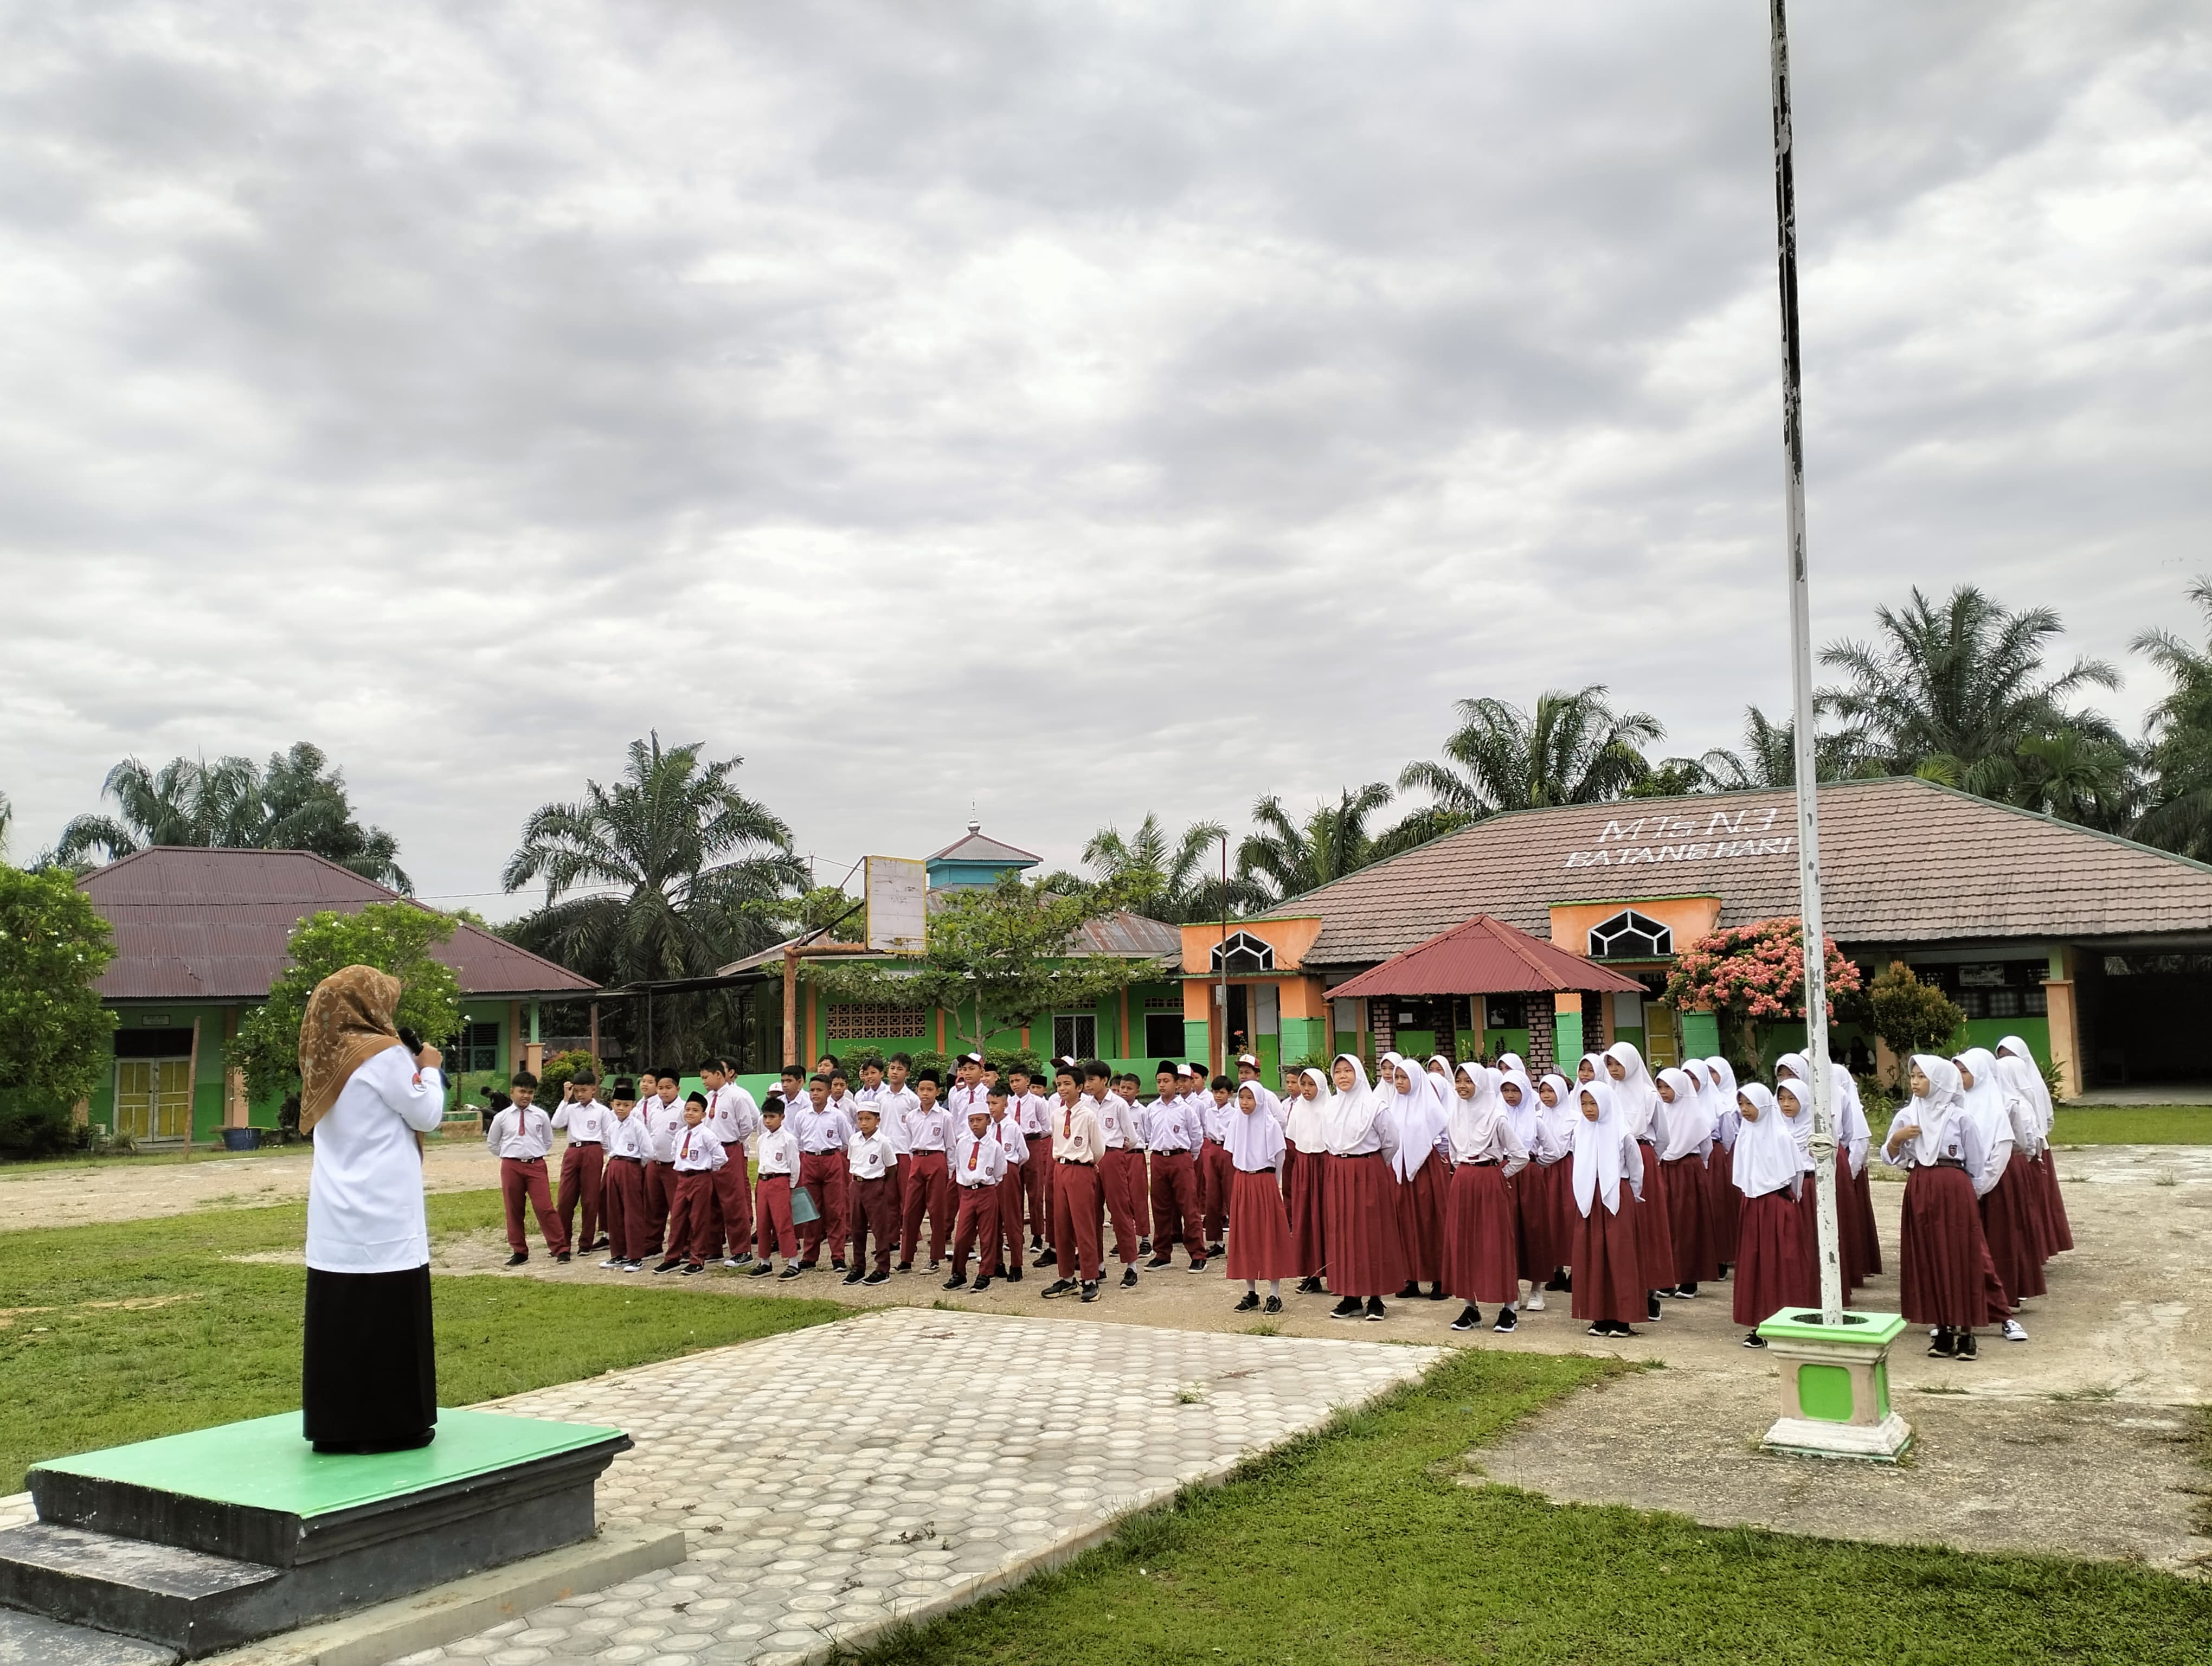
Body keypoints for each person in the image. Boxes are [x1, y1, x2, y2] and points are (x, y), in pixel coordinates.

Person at [298, 965, 447, 1453]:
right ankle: (393, 1425)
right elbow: (425, 1113)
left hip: (335, 1205)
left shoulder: (323, 1055)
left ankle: (337, 1427)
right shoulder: (383, 1054)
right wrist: (428, 1067)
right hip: (384, 1205)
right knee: (388, 1317)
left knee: (341, 1319)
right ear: (370, 1004)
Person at [1882, 1055, 2011, 1360]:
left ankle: (1966, 1332)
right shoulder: (1907, 1116)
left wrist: (1967, 1195)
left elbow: (1976, 1164)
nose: (1914, 1082)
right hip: (1920, 1186)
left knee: (1960, 1256)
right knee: (1928, 1255)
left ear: (1939, 1080)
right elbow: (1890, 1158)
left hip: (1954, 1187)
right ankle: (1942, 1330)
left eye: (1922, 1077)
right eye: (1912, 1076)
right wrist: (1897, 1140)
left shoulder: (1959, 1118)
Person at [1957, 1047, 2040, 1336]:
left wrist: (1980, 1185)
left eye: (1964, 1071)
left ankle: (2000, 1299)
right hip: (1963, 1184)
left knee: (1998, 1238)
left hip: (1995, 1180)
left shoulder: (2005, 1103)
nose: (1959, 1077)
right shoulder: (1954, 1104)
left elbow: (2015, 1143)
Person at [1443, 1058, 1529, 1334]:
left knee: (1495, 1243)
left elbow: (1520, 1156)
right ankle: (1471, 1308)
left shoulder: (1496, 1117)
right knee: (1464, 1242)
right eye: (1458, 1081)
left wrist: (1498, 1176)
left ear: (1480, 1084)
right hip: (1463, 1182)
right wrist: (1465, 1175)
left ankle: (1509, 1309)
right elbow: (1455, 1155)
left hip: (1489, 1178)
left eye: (1469, 1081)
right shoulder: (1454, 1115)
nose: (1462, 1086)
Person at [1729, 1082, 1814, 1347]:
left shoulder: (1781, 1136)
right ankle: (1760, 1322)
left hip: (1777, 1206)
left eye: (1750, 1104)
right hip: (1752, 1205)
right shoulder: (1745, 1135)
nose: (1745, 1110)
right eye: (1741, 1104)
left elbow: (1795, 1175)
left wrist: (1784, 1202)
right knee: (1756, 1264)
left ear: (1764, 1106)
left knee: (1780, 1263)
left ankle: (1785, 1321)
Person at [1320, 1054, 1404, 1321]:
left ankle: (1376, 1298)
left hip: (1368, 1171)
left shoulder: (1375, 1106)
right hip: (1338, 1171)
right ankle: (1350, 1297)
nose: (1343, 1076)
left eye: (1348, 1071)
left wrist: (1372, 1167)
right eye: (1338, 1072)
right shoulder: (1330, 1106)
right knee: (1342, 1234)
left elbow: (1391, 1142)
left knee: (1371, 1233)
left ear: (1358, 1073)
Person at [1568, 1078, 1644, 1338]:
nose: (1589, 1109)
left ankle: (1622, 1318)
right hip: (1589, 1199)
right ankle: (1599, 1316)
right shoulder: (1580, 1132)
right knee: (1593, 1255)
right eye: (1584, 1103)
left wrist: (1631, 1195)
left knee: (1619, 1256)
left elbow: (1636, 1169)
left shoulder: (1623, 1134)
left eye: (1594, 1104)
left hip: (1616, 1198)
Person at [1604, 1042, 1673, 1321]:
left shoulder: (1649, 1095)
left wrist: (1648, 1159)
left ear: (1631, 1063)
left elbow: (1664, 1137)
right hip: (1612, 1160)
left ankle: (1652, 1293)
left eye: (1618, 1064)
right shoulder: (1607, 1093)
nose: (1613, 1070)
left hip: (1642, 1157)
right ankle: (1624, 1290)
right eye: (1609, 1065)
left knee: (1648, 1227)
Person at [1225, 1081, 1298, 1313]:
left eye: (1250, 1098)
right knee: (1246, 1236)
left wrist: (1270, 1183)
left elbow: (1280, 1159)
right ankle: (1251, 1293)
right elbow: (1234, 1152)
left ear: (1260, 1100)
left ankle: (1274, 1295)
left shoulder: (1271, 1126)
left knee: (1269, 1235)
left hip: (1264, 1182)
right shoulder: (1236, 1121)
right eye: (1242, 1098)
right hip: (1242, 1181)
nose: (1245, 1103)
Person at [1996, 1035, 2071, 1257]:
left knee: (2038, 1200)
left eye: (2011, 1056)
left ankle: (2042, 1246)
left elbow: (2048, 1118)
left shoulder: (2034, 1086)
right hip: (2026, 1152)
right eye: (2001, 1057)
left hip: (2037, 1151)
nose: (2006, 1062)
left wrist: (2038, 1139)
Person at [1384, 1059, 1450, 1302]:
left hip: (1427, 1172)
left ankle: (1439, 1279)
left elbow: (1443, 1137)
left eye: (1404, 1078)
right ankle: (1409, 1277)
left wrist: (1439, 1159)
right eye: (1397, 1078)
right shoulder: (1394, 1106)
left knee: (1430, 1221)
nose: (1399, 1082)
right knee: (1405, 1222)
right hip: (1401, 1172)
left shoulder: (1431, 1108)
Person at [486, 1069, 568, 1266]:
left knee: (545, 1207)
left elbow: (548, 1141)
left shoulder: (540, 1115)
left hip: (536, 1165)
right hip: (511, 1167)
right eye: (522, 1091)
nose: (526, 1096)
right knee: (514, 1209)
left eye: (530, 1093)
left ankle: (561, 1249)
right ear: (512, 1091)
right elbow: (493, 1143)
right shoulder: (502, 1117)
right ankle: (519, 1251)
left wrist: (532, 1153)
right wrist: (510, 1156)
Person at [1042, 1063, 1106, 1302]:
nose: (1062, 1089)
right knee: (1062, 1226)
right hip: (1061, 1168)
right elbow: (1057, 1143)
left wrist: (1087, 1165)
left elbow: (1098, 1149)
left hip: (1081, 1169)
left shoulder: (1088, 1115)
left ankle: (1090, 1279)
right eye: (1059, 1085)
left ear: (1080, 1087)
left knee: (1084, 1226)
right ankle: (1067, 1278)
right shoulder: (1057, 1114)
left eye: (1067, 1084)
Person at [1493, 1065, 1552, 1313]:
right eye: (1505, 1090)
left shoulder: (1536, 1120)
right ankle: (1512, 1288)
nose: (1510, 1095)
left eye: (1515, 1090)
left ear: (1526, 1092)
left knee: (1533, 1230)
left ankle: (1537, 1290)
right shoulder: (1497, 1117)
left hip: (1528, 1176)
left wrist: (1535, 1166)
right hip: (1504, 1174)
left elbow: (1552, 1150)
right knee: (1509, 1231)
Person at [1654, 1067, 1715, 1299]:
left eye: (1668, 1087)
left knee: (1688, 1224)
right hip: (1665, 1169)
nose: (1663, 1092)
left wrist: (1696, 1167)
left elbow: (1706, 1148)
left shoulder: (1695, 1115)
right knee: (1666, 1225)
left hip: (1688, 1171)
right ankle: (1667, 1279)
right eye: (1660, 1087)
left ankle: (1689, 1280)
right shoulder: (1662, 1112)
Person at [656, 1093, 727, 1276]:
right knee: (678, 1219)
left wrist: (707, 1168)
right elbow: (675, 1153)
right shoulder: (680, 1134)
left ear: (703, 1115)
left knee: (699, 1220)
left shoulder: (707, 1135)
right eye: (687, 1110)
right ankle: (672, 1258)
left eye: (695, 1111)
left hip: (700, 1179)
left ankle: (697, 1259)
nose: (690, 1113)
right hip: (682, 1179)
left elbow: (721, 1157)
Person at [1142, 1068, 1206, 1271]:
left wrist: (1189, 1157)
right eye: (1159, 1081)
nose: (1162, 1085)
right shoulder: (1151, 1109)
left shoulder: (1186, 1109)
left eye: (1166, 1081)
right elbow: (1148, 1134)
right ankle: (1162, 1254)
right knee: (1160, 1208)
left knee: (1189, 1207)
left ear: (1176, 1083)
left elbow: (1196, 1137)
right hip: (1159, 1159)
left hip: (1181, 1158)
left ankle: (1197, 1254)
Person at [700, 1059, 757, 1268]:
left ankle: (742, 1251)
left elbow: (747, 1125)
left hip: (730, 1149)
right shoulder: (707, 1099)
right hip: (710, 1152)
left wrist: (732, 1144)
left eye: (706, 1077)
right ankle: (714, 1247)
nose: (704, 1081)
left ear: (718, 1074)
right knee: (711, 1201)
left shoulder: (737, 1097)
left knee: (734, 1202)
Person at [791, 1073, 852, 1271]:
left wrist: (829, 1155)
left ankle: (838, 1257)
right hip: (809, 1160)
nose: (815, 1094)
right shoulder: (802, 1116)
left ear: (829, 1092)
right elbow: (798, 1141)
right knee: (811, 1210)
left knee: (835, 1210)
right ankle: (809, 1256)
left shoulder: (837, 1116)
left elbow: (845, 1142)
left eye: (820, 1090)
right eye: (813, 1090)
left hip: (831, 1160)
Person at [900, 1069, 955, 1273]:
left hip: (937, 1160)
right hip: (918, 1161)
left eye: (930, 1089)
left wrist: (949, 1171)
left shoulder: (945, 1117)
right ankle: (906, 1258)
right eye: (922, 1089)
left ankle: (935, 1258)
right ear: (917, 1091)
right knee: (910, 1210)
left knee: (936, 1210)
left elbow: (951, 1146)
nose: (925, 1093)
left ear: (938, 1092)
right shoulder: (912, 1117)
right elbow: (909, 1143)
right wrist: (916, 1162)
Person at [946, 1105, 1006, 1291]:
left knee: (987, 1236)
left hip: (986, 1191)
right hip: (967, 1192)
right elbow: (959, 1166)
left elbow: (999, 1172)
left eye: (979, 1120)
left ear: (988, 1121)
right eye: (971, 1121)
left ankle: (985, 1274)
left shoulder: (995, 1146)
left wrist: (986, 1185)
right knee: (962, 1236)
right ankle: (959, 1273)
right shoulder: (963, 1143)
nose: (975, 1125)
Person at [1283, 1066, 1331, 1295]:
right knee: (1306, 1219)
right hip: (1304, 1166)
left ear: (1321, 1085)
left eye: (1312, 1085)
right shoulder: (1298, 1109)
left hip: (1325, 1166)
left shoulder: (1330, 1108)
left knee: (1327, 1219)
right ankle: (1311, 1274)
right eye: (1304, 1085)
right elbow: (1293, 1141)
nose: (1307, 1089)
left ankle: (1334, 1272)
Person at [1532, 1072, 1579, 1298]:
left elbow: (1565, 1148)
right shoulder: (1537, 1116)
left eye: (1551, 1091)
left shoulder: (1574, 1118)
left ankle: (1575, 1270)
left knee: (1569, 1218)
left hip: (1568, 1171)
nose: (1546, 1096)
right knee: (1549, 1219)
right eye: (1542, 1091)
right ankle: (1556, 1270)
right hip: (1546, 1172)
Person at [551, 1070, 607, 1254]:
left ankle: (586, 1243)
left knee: (590, 1199)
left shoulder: (602, 1111)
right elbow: (556, 1123)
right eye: (576, 1091)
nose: (580, 1095)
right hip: (573, 1150)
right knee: (565, 1199)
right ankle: (562, 1243)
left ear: (593, 1090)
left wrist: (602, 1153)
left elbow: (608, 1135)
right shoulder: (570, 1109)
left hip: (593, 1149)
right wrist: (566, 1099)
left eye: (584, 1090)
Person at [599, 1080, 651, 1271]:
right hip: (615, 1165)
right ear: (612, 1105)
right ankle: (618, 1254)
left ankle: (635, 1256)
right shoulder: (612, 1127)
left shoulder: (637, 1126)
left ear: (633, 1105)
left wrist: (636, 1168)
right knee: (614, 1211)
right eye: (618, 1105)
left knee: (632, 1212)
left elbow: (647, 1152)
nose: (621, 1109)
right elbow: (611, 1148)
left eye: (626, 1105)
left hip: (631, 1166)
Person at [844, 1104, 898, 1286]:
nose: (864, 1123)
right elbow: (852, 1161)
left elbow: (892, 1168)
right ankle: (859, 1267)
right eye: (860, 1119)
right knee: (857, 1228)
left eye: (868, 1119)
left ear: (878, 1120)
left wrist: (881, 1184)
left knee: (879, 1228)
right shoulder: (854, 1140)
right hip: (856, 1185)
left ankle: (883, 1269)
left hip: (874, 1185)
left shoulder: (883, 1142)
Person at [750, 1098, 803, 1279]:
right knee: (763, 1223)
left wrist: (789, 1185)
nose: (768, 1121)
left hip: (780, 1180)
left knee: (783, 1223)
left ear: (782, 1117)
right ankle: (765, 1261)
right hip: (763, 1180)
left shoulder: (788, 1139)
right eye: (765, 1117)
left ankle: (793, 1263)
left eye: (772, 1117)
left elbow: (794, 1165)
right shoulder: (762, 1139)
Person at [1703, 1057, 1742, 1275]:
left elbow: (1730, 1135)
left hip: (1725, 1156)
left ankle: (1727, 1252)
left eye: (1714, 1072)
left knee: (1722, 1202)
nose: (1710, 1076)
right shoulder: (1696, 1099)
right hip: (1705, 1157)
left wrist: (1724, 1154)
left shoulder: (1733, 1102)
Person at [986, 1084, 1030, 1281]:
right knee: (992, 1220)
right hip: (990, 1174)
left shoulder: (1012, 1127)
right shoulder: (988, 1127)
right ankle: (997, 1263)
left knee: (1012, 1219)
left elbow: (1024, 1155)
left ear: (1005, 1103)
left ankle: (1017, 1264)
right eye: (988, 1103)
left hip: (1008, 1171)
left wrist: (1010, 1169)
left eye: (995, 1103)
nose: (991, 1107)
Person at [1194, 1064, 1234, 1255]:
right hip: (1212, 1149)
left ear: (1230, 1094)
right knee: (1213, 1196)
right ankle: (1218, 1242)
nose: (1218, 1096)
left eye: (1222, 1093)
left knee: (1231, 1195)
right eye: (1216, 1092)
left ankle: (1237, 1241)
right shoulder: (1209, 1112)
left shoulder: (1235, 1114)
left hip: (1228, 1151)